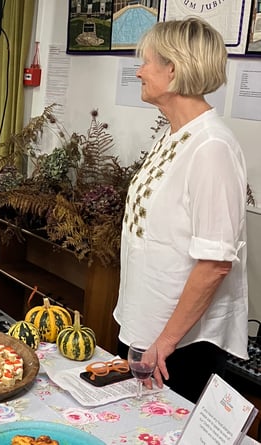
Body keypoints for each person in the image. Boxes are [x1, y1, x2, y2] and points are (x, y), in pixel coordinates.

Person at [113, 17, 248, 403]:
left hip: (179, 346)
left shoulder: (212, 148)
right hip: (147, 328)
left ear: (173, 68)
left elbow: (215, 263)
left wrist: (166, 341)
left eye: (147, 61)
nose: (139, 70)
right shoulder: (174, 133)